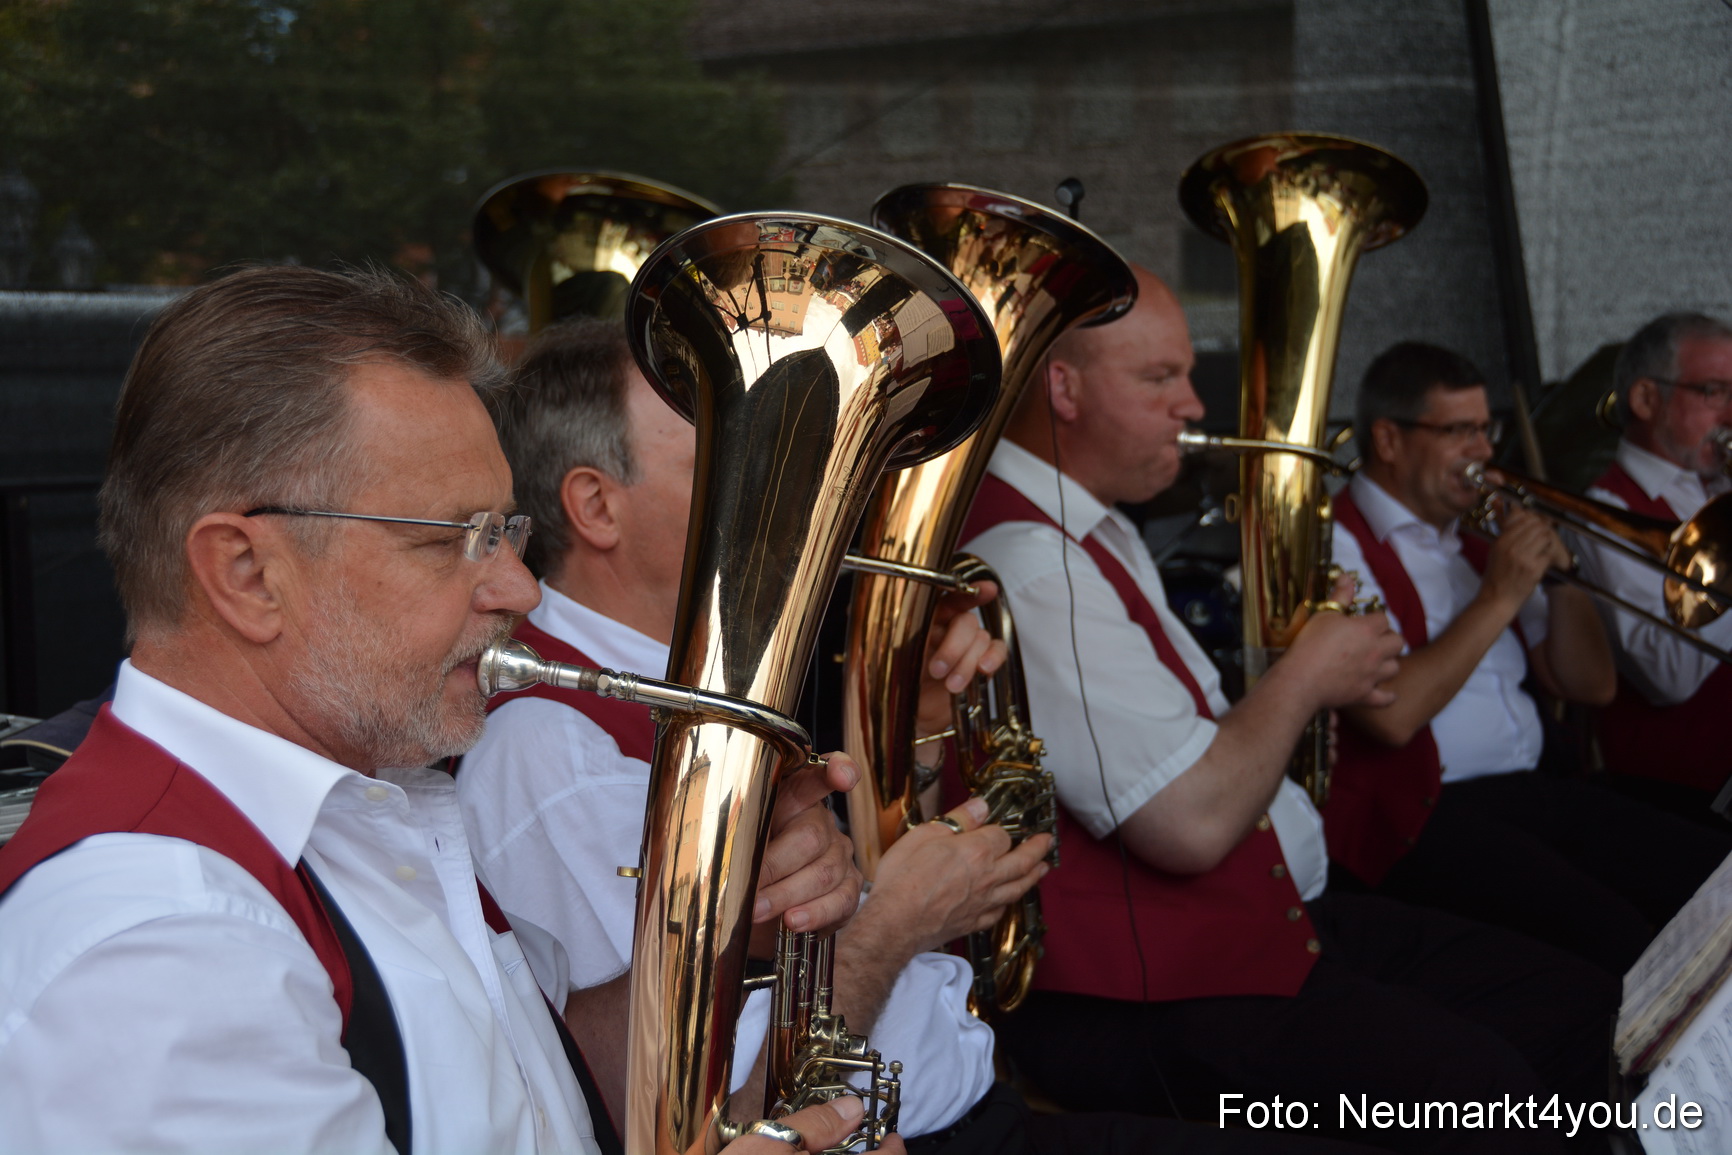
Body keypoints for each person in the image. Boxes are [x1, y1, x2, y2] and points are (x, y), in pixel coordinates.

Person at [0, 265, 872, 1155]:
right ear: (248, 574)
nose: (519, 587)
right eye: (455, 538)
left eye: (506, 530)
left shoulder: (380, 784)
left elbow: (545, 1104)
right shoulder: (157, 938)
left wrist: (722, 933)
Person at [459, 317, 1378, 1155]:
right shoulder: (553, 752)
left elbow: (819, 931)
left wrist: (928, 734)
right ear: (596, 506)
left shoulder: (709, 673)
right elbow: (691, 1119)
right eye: (738, 456)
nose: (792, 487)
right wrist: (900, 918)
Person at [960, 267, 1623, 1154]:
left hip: (1257, 931)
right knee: (1490, 1096)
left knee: (1577, 1004)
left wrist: (1312, 668)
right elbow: (1191, 823)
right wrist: (1307, 673)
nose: (1193, 404)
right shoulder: (1037, 561)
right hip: (1164, 996)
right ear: (1063, 388)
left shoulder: (1086, 529)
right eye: (1159, 377)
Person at [1329, 340, 1730, 975]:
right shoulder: (1338, 543)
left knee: (1718, 876)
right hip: (1423, 813)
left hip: (1535, 790)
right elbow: (1392, 717)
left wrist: (1563, 579)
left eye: (1484, 429)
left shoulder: (1476, 537)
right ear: (1388, 439)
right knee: (1627, 942)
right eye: (1459, 432)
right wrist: (1501, 594)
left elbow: (1590, 686)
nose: (1484, 452)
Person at [1577, 312, 1732, 818]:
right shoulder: (1607, 512)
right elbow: (1667, 675)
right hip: (1681, 800)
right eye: (1714, 392)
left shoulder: (1719, 489)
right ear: (1645, 399)